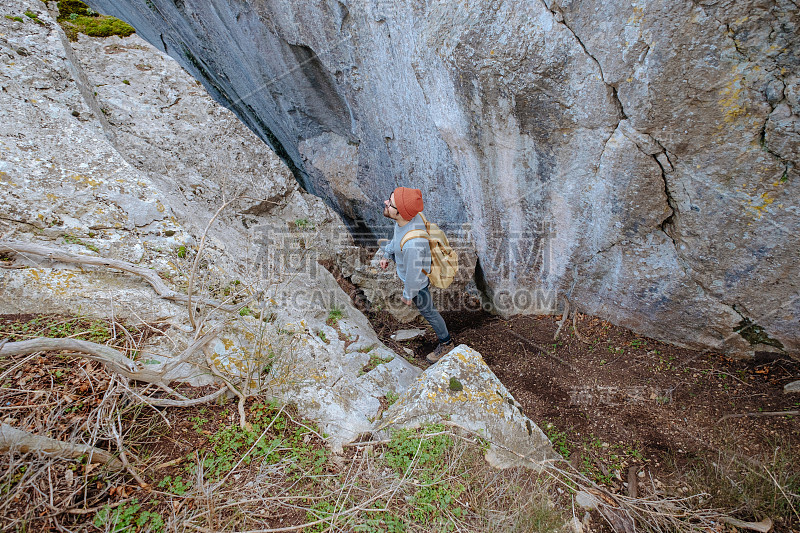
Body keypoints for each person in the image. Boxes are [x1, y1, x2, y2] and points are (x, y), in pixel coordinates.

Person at [379, 187, 455, 364]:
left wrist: (408, 295)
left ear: (401, 213)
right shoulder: (409, 219)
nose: (385, 203)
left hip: (418, 285)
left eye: (390, 203)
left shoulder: (413, 245)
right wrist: (387, 254)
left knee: (429, 312)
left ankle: (446, 342)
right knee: (428, 310)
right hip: (415, 277)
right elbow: (397, 239)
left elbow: (413, 276)